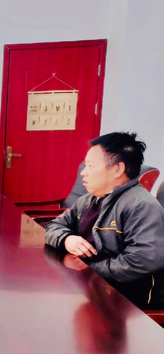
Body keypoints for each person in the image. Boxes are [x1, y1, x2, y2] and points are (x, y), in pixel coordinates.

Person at [45, 132, 164, 310]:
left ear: (118, 169)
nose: (83, 172)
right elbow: (54, 225)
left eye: (90, 166)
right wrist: (67, 239)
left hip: (128, 299)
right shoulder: (88, 200)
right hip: (96, 287)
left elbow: (142, 261)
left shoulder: (141, 206)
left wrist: (89, 269)